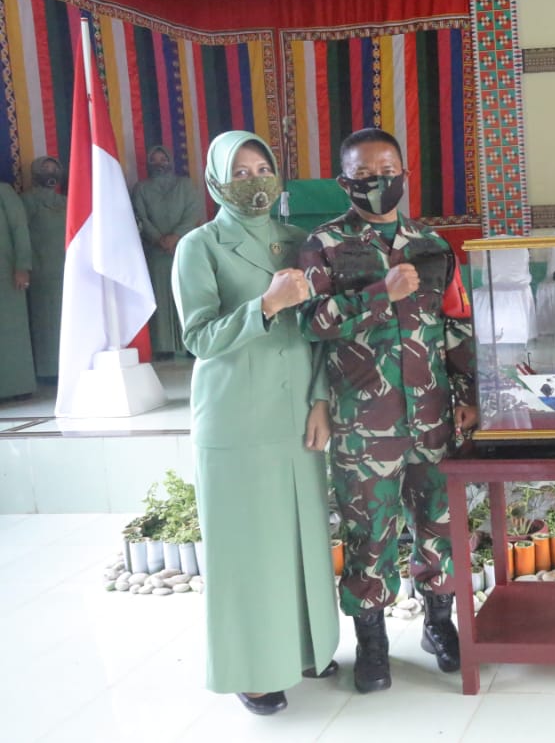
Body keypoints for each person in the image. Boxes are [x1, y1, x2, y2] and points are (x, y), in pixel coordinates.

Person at [299, 128, 477, 693]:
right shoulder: (324, 245)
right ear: (344, 181)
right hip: (363, 422)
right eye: (365, 174)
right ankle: (372, 643)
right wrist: (381, 294)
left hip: (433, 415)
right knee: (368, 535)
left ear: (405, 174)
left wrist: (469, 393)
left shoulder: (433, 245)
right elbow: (311, 322)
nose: (378, 181)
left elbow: (455, 324)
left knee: (440, 526)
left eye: (388, 170)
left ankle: (439, 624)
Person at [172, 131, 339, 716]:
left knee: (301, 537)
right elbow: (198, 338)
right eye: (239, 172)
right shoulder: (200, 246)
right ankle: (253, 670)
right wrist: (264, 306)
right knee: (249, 548)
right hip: (237, 419)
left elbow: (321, 332)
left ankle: (306, 648)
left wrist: (321, 398)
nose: (254, 181)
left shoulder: (299, 242)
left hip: (297, 414)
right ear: (217, 180)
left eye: (262, 168)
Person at [132, 145, 204, 358]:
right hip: (156, 253)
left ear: (170, 161)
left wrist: (176, 236)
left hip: (184, 249)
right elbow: (140, 217)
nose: (159, 163)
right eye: (154, 160)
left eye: (163, 159)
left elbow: (193, 212)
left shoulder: (185, 185)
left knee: (187, 296)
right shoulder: (141, 188)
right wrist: (159, 239)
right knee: (160, 300)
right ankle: (164, 347)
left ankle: (191, 344)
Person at [21, 156, 67, 380]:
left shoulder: (66, 200)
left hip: (66, 270)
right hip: (41, 270)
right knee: (45, 322)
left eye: (54, 168)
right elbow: (22, 234)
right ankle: (49, 371)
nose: (50, 172)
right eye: (45, 168)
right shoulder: (27, 200)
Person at [0, 176, 36, 401]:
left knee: (12, 331)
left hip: (6, 276)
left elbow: (19, 228)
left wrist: (22, 266)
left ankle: (18, 386)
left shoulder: (4, 192)